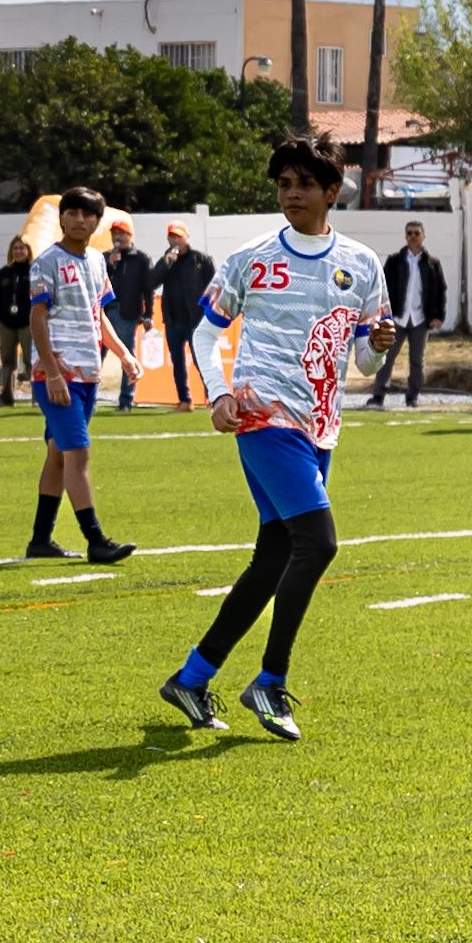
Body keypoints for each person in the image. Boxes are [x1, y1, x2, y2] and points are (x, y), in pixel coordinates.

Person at [163, 136, 382, 741]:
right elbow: (205, 336)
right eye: (283, 184)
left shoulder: (363, 264)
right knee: (319, 543)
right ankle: (270, 679)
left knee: (275, 558)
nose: (291, 194)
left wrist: (379, 346)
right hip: (262, 416)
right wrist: (219, 393)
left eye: (303, 184)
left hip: (320, 425)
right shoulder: (251, 258)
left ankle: (192, 675)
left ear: (330, 192)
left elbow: (362, 359)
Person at [27, 191, 139, 564]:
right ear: (62, 219)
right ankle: (96, 540)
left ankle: (40, 541)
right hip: (59, 375)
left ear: (98, 221)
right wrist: (53, 372)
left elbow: (98, 314)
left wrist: (123, 353)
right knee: (78, 452)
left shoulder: (95, 260)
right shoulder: (47, 262)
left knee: (58, 455)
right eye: (71, 213)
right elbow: (37, 318)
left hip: (88, 374)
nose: (79, 220)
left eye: (87, 215)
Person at [369, 220, 446, 409]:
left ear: (423, 236)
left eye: (417, 233)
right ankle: (378, 395)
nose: (413, 237)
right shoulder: (395, 261)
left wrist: (439, 315)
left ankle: (412, 397)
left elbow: (440, 290)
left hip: (420, 318)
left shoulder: (432, 263)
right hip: (397, 317)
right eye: (410, 233)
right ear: (405, 237)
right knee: (386, 356)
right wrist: (381, 313)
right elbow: (383, 287)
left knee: (417, 360)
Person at [154, 222, 216, 410]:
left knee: (201, 361)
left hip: (196, 320)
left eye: (178, 236)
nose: (175, 240)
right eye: (172, 237)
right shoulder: (166, 260)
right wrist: (165, 265)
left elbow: (214, 286)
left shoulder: (200, 259)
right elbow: (152, 282)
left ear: (186, 237)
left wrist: (210, 313)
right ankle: (184, 400)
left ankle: (212, 398)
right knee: (178, 363)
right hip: (173, 320)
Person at [101, 220, 157, 408]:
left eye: (121, 233)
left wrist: (149, 313)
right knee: (96, 354)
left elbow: (147, 288)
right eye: (114, 233)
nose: (117, 237)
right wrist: (109, 265)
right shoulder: (104, 258)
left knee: (126, 355)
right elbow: (97, 283)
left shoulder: (140, 258)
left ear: (130, 235)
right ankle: (88, 397)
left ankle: (126, 400)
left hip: (127, 312)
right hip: (105, 311)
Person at [0, 236, 35, 406]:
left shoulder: (35, 271)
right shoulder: (4, 273)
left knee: (32, 361)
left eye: (22, 248)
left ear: (28, 251)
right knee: (7, 362)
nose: (19, 251)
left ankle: (38, 398)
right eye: (15, 248)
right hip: (6, 323)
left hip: (28, 323)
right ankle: (6, 396)